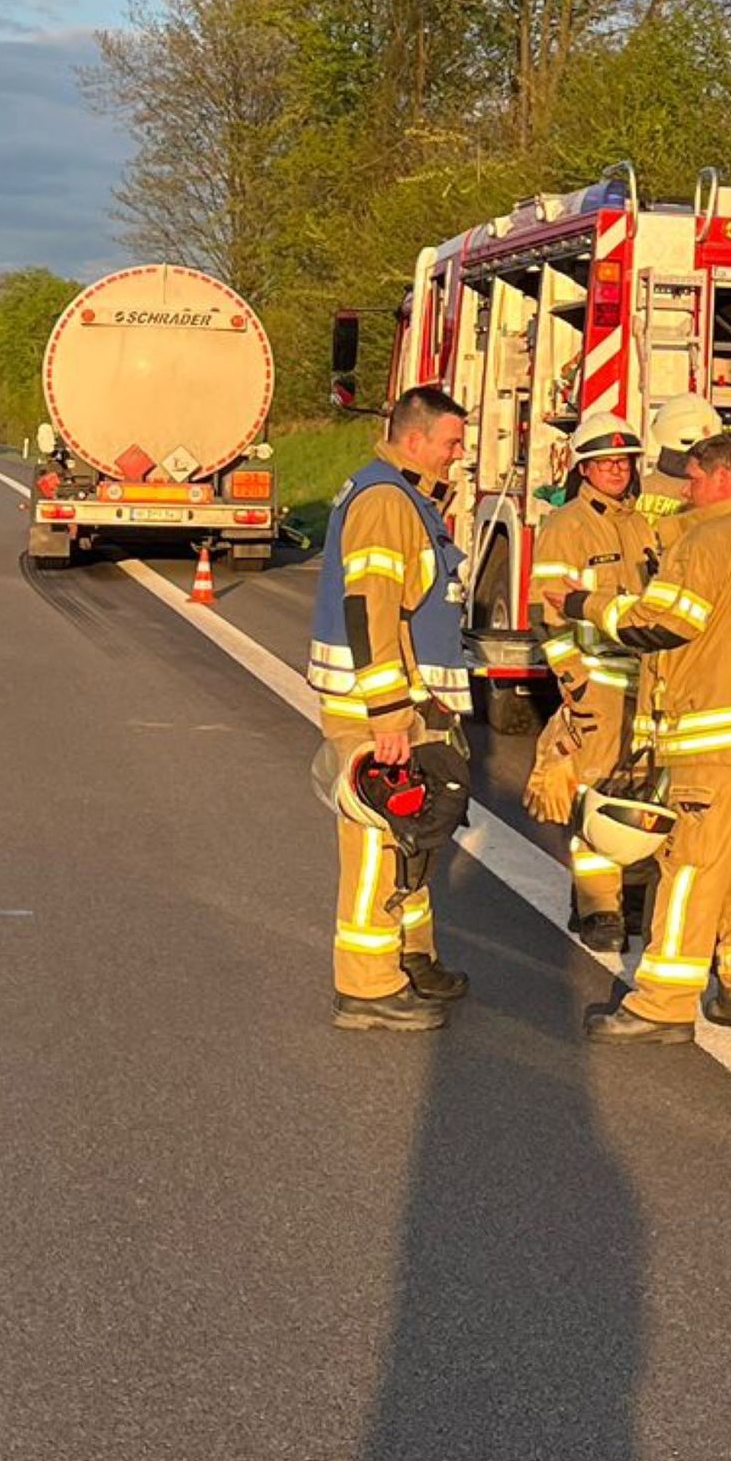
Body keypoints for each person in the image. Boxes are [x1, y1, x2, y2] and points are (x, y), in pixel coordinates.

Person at [582, 427, 731, 1043]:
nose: (684, 489)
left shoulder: (706, 541)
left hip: (719, 741)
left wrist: (591, 606)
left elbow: (662, 625)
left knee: (693, 868)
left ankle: (661, 1003)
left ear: (720, 478)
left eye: (692, 477)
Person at [306, 383, 475, 1033]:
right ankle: (369, 988)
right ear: (415, 440)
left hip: (408, 702)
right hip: (380, 705)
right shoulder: (386, 501)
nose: (458, 454)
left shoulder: (407, 497)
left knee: (412, 833)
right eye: (451, 442)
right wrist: (387, 711)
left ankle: (412, 956)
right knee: (381, 836)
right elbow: (370, 605)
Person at [526, 417, 659, 955]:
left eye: (623, 461)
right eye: (605, 462)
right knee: (596, 787)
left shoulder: (641, 523)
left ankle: (626, 893)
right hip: (598, 678)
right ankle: (597, 905)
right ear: (584, 468)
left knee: (641, 787)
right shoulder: (568, 525)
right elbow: (546, 611)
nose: (615, 469)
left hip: (645, 678)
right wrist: (573, 682)